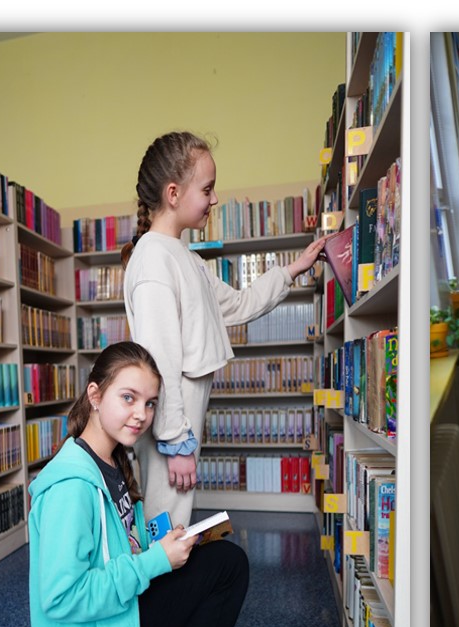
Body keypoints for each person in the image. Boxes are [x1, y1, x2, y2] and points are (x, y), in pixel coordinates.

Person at [27, 343, 258, 627]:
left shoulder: (111, 460)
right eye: (128, 398)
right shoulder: (71, 488)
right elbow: (61, 598)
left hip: (118, 618)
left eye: (150, 403)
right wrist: (155, 563)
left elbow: (116, 554)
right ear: (95, 395)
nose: (141, 415)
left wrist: (156, 549)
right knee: (228, 564)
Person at [121, 130, 325, 528]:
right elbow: (158, 359)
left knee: (174, 522)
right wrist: (175, 441)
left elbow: (238, 305)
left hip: (181, 420)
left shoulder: (183, 256)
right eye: (207, 189)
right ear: (174, 193)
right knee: (166, 523)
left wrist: (292, 269)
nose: (214, 199)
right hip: (171, 425)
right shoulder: (154, 261)